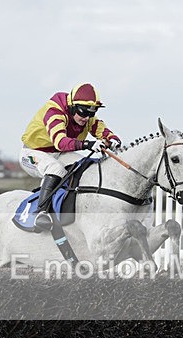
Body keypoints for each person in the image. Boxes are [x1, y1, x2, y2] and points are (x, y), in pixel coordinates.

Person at [20, 82, 122, 231]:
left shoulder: (84, 114)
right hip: (33, 153)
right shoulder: (55, 111)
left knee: (84, 167)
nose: (86, 117)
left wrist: (112, 139)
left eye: (91, 113)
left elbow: (100, 128)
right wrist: (87, 144)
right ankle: (40, 213)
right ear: (73, 107)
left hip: (59, 153)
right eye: (83, 112)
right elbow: (60, 142)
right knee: (55, 169)